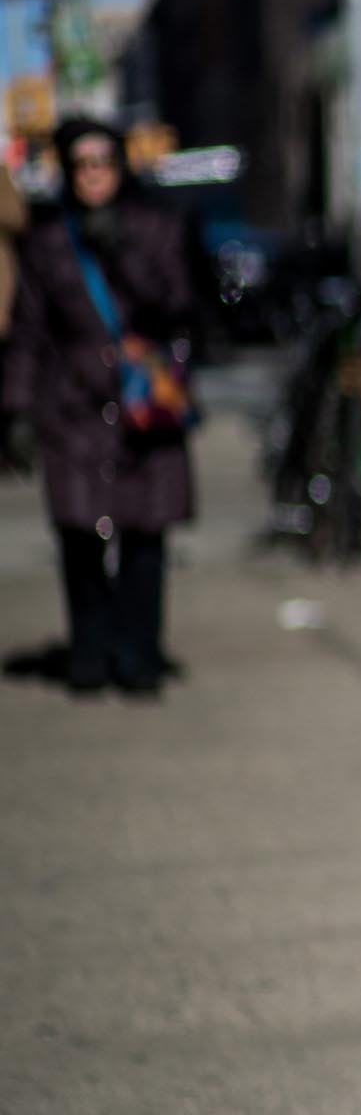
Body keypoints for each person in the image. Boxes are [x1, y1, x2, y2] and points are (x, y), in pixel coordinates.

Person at [0, 121, 201, 697]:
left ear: (120, 167)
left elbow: (181, 305)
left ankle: (138, 656)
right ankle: (90, 652)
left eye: (104, 161)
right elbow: (28, 332)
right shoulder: (47, 243)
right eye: (81, 163)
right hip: (73, 406)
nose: (93, 174)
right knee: (80, 535)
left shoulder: (157, 228)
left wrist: (127, 255)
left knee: (143, 538)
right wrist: (15, 408)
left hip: (144, 405)